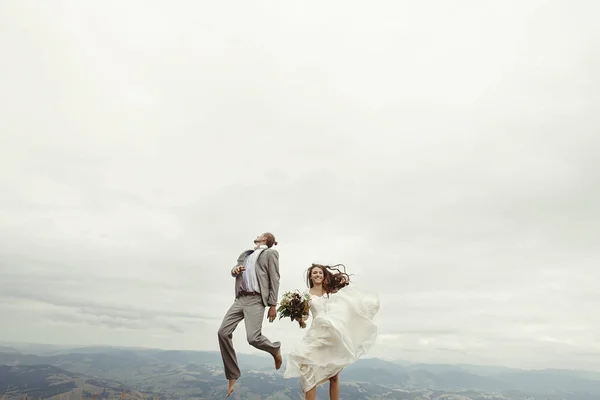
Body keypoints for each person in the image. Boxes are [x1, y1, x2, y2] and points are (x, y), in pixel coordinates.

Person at [283, 264, 380, 400]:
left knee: (334, 375)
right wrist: (298, 317)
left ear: (323, 276)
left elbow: (344, 306)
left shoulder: (331, 292)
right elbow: (304, 318)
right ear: (310, 276)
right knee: (309, 372)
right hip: (316, 334)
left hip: (333, 334)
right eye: (314, 273)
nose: (317, 275)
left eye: (320, 273)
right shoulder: (305, 295)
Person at [217, 232, 283, 397]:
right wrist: (235, 270)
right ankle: (232, 375)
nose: (257, 236)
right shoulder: (245, 254)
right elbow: (235, 272)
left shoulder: (270, 253)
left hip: (256, 299)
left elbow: (274, 278)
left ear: (265, 239)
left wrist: (273, 304)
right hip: (240, 298)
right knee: (223, 332)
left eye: (260, 235)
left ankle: (275, 349)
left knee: (253, 338)